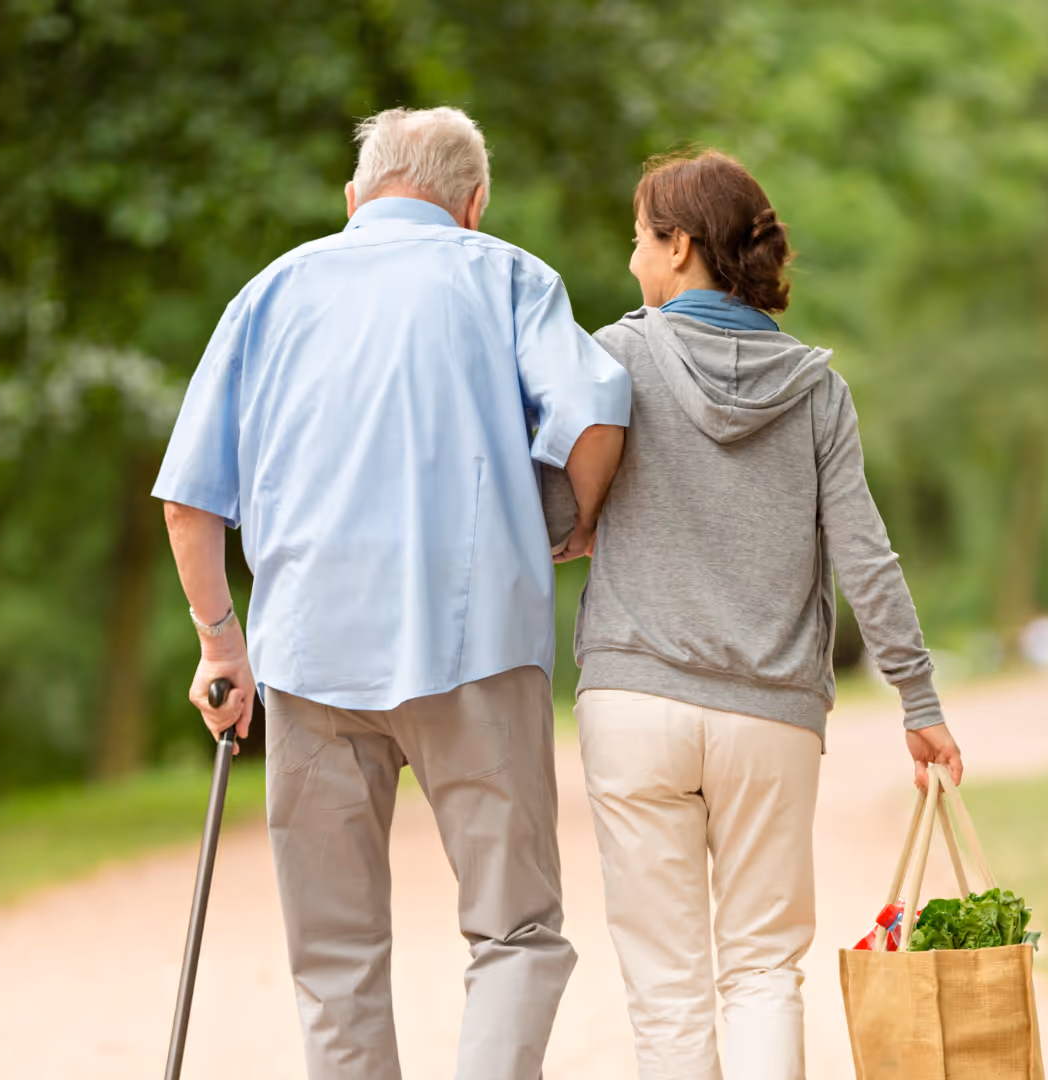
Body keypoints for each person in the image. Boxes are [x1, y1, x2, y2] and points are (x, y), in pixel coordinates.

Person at [152, 106, 631, 1080]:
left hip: (309, 661)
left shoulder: (271, 292)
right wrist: (572, 520)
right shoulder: (505, 276)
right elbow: (593, 414)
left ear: (353, 196)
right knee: (515, 931)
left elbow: (188, 505)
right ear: (475, 203)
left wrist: (220, 645)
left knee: (333, 959)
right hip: (478, 649)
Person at [566, 148, 966, 1080]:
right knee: (761, 972)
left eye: (639, 239)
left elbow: (554, 510)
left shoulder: (615, 358)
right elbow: (865, 556)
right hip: (770, 716)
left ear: (680, 247)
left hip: (635, 700)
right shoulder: (817, 390)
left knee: (667, 989)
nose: (631, 260)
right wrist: (918, 701)